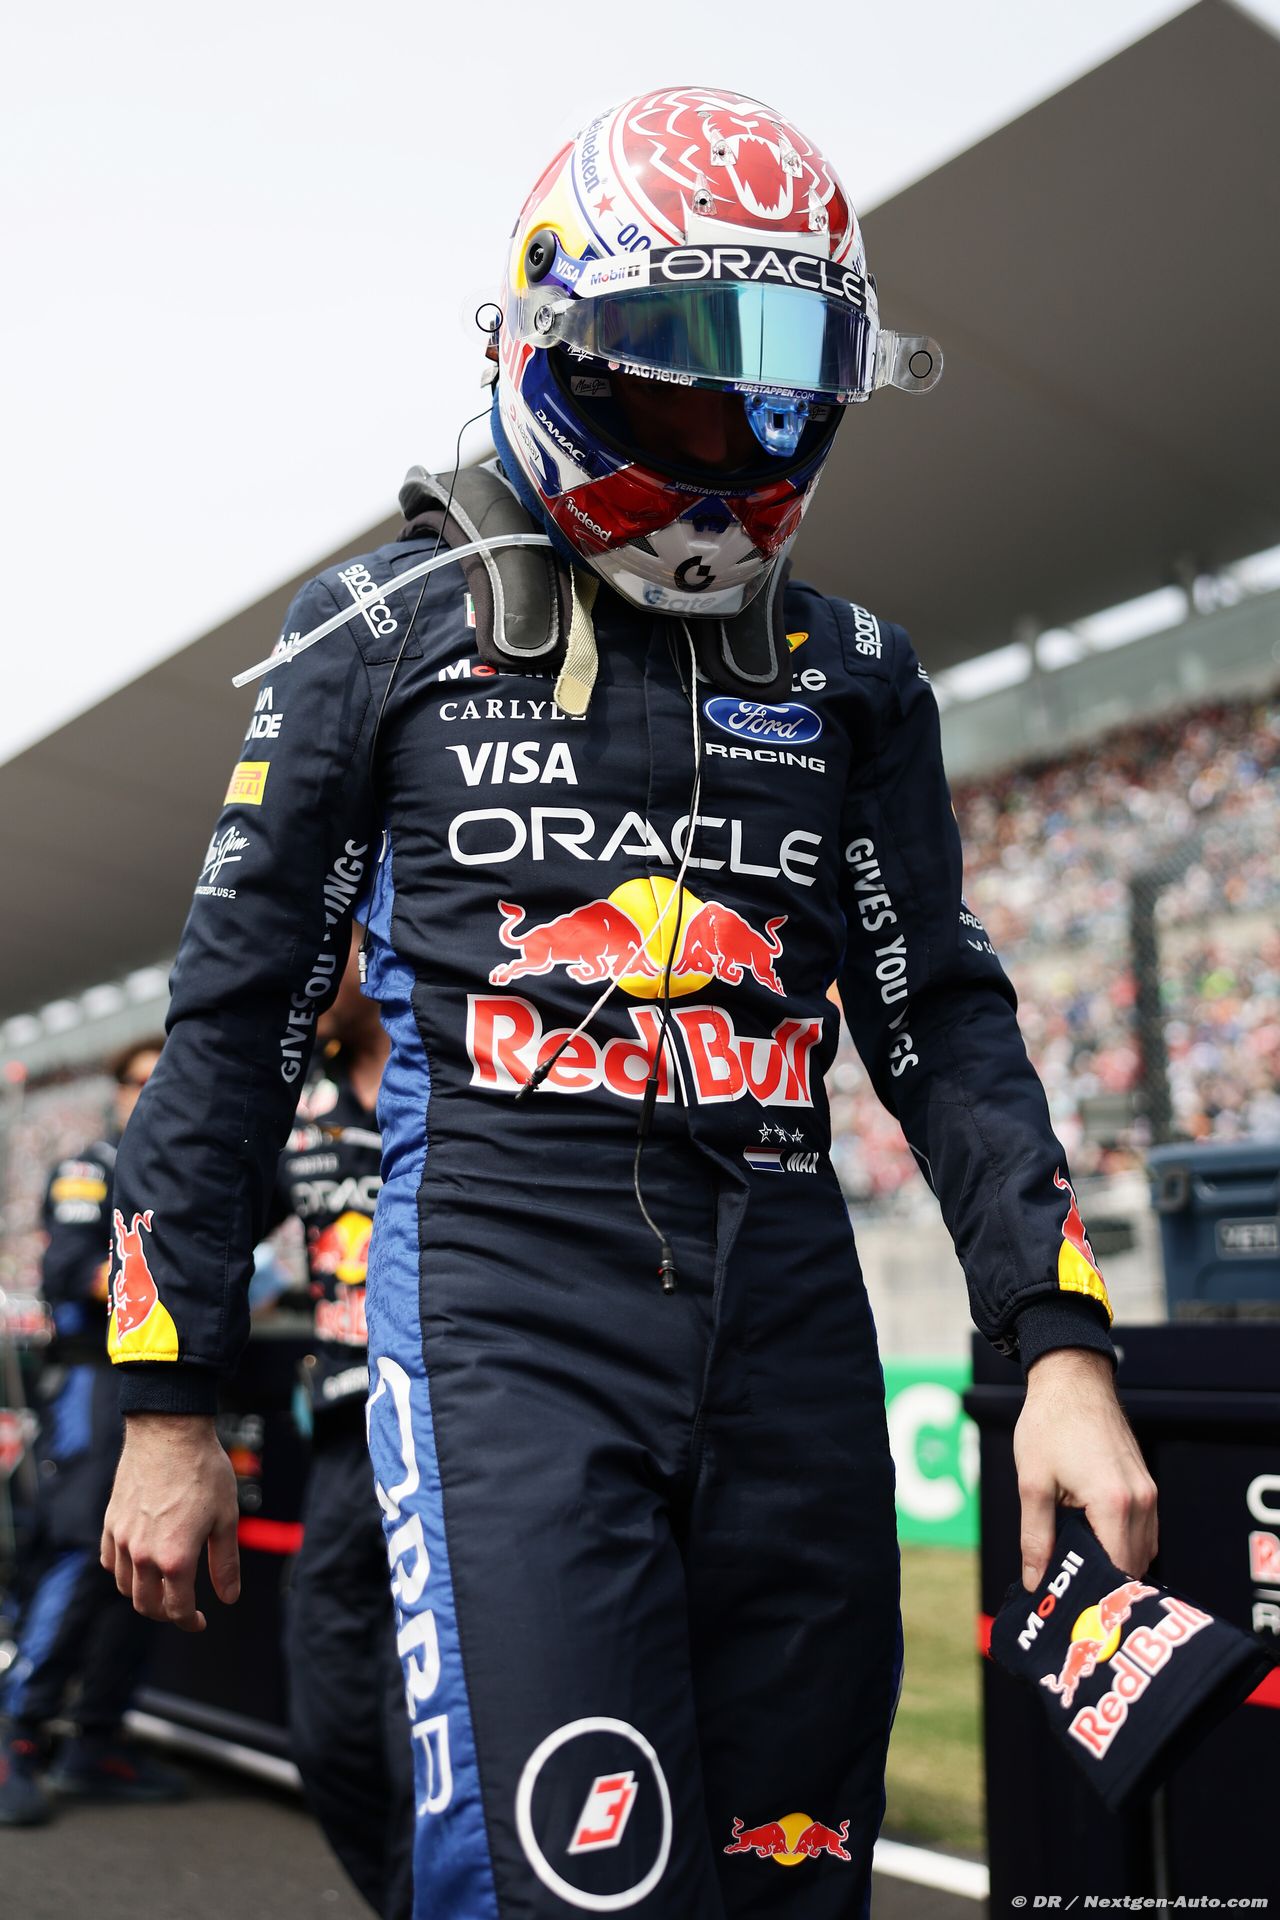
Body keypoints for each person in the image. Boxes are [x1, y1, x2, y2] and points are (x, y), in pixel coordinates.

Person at [101, 87, 1157, 1917]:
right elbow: (237, 1023)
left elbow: (943, 1022)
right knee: (567, 1887)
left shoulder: (857, 674)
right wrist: (166, 1398)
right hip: (501, 1313)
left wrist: (1057, 1345)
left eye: (781, 383)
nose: (734, 434)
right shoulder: (373, 631)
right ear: (553, 343)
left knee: (793, 1879)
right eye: (681, 381)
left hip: (791, 1326)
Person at [0, 1040, 185, 1825]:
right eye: (143, 1078)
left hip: (171, 1386)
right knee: (81, 1549)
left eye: (171, 1073)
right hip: (94, 1383)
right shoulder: (91, 1167)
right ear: (117, 1092)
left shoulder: (192, 1170)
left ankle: (95, 1739)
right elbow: (67, 1272)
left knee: (151, 1560)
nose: (159, 1089)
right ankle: (14, 1730)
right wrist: (184, 1277)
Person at [275, 931, 412, 1920]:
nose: (312, 952)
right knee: (327, 1728)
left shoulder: (462, 1050)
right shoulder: (292, 1083)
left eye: (337, 933)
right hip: (340, 1442)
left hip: (462, 1426)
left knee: (431, 1736)